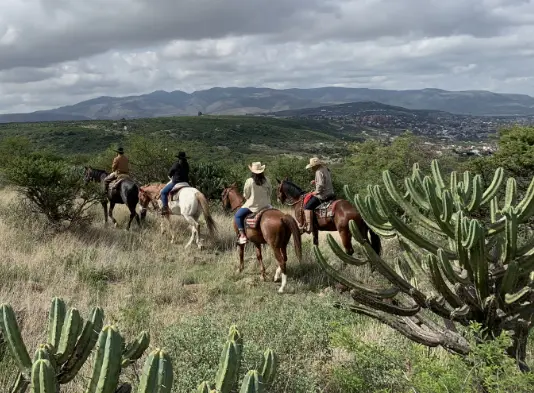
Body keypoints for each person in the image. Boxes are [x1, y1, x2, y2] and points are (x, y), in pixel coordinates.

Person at [234, 162, 272, 244]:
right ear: (262, 171)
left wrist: (247, 197)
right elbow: (270, 193)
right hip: (266, 206)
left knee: (237, 216)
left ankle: (243, 236)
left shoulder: (249, 181)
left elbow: (246, 195)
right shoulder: (267, 180)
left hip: (252, 206)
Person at [303, 157, 335, 233]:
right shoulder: (325, 169)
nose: (312, 169)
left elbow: (320, 185)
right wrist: (316, 181)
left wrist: (316, 192)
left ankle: (309, 226)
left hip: (323, 195)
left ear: (315, 166)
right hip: (331, 192)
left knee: (307, 206)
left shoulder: (318, 171)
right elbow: (325, 180)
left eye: (312, 167)